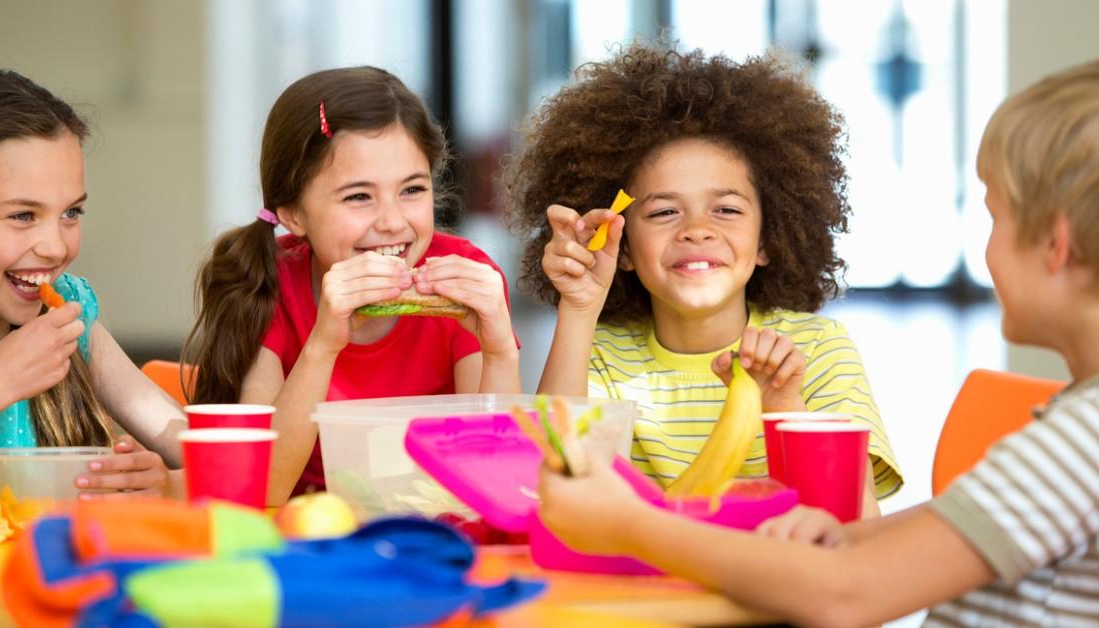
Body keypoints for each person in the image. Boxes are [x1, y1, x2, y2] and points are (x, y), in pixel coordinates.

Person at [538, 59, 1099, 627]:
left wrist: (631, 525)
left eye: (993, 217)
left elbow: (848, 595)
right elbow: (895, 537)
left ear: (1055, 245)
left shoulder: (1084, 438)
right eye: (664, 212)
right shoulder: (1075, 425)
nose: (697, 229)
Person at [505, 43, 901, 509]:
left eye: (727, 209)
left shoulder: (818, 351)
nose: (696, 230)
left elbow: (859, 527)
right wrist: (578, 309)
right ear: (625, 247)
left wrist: (785, 408)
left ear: (768, 241)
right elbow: (550, 492)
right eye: (665, 211)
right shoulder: (598, 354)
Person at [184, 67, 520, 506]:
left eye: (412, 190)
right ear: (293, 215)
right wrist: (323, 343)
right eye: (359, 196)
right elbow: (263, 490)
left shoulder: (466, 279)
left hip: (434, 527)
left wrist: (499, 351)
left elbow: (497, 482)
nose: (393, 222)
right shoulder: (269, 283)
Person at [0, 67, 187, 518]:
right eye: (22, 216)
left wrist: (172, 484)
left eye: (71, 212)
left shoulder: (71, 316)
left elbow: (191, 444)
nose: (55, 247)